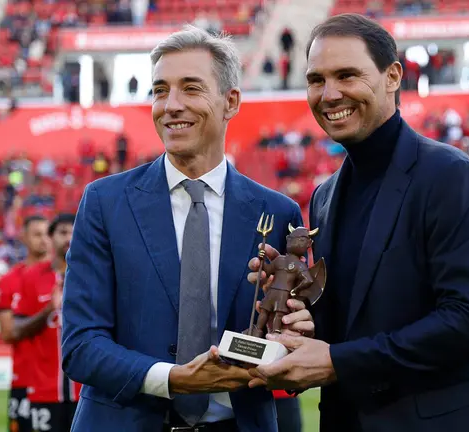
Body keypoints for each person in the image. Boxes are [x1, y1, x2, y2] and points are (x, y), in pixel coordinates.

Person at [247, 14, 469, 431]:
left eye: (347, 75)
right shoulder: (324, 198)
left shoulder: (450, 176)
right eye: (316, 79)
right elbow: (356, 326)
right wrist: (299, 323)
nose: (329, 94)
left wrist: (335, 362)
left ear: (393, 76)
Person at [61, 25, 314, 432]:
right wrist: (172, 379)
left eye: (191, 88)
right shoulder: (104, 203)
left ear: (230, 101)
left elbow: (289, 337)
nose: (171, 105)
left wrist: (295, 330)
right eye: (160, 90)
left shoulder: (276, 211)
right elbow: (79, 346)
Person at [14, 213, 80, 432]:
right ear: (51, 238)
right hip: (44, 390)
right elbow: (17, 331)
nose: (69, 237)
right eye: (62, 232)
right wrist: (49, 310)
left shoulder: (94, 275)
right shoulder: (32, 277)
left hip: (86, 390)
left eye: (73, 231)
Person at [0, 215, 49, 432]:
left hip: (62, 381)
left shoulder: (68, 278)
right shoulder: (9, 280)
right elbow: (8, 333)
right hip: (25, 379)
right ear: (23, 237)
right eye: (37, 234)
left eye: (47, 234)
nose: (43, 240)